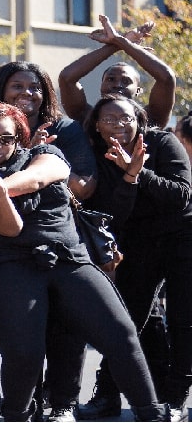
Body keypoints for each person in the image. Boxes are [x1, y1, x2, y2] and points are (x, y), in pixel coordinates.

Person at [0, 101, 171, 422]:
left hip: (69, 258)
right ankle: (17, 416)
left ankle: (151, 414)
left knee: (120, 333)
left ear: (19, 140)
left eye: (6, 138)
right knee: (23, 353)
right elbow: (10, 227)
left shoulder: (46, 156)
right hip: (13, 264)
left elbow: (41, 178)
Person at [75, 96, 192, 419]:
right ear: (96, 126)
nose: (118, 125)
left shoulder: (162, 141)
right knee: (125, 322)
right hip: (138, 242)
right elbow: (113, 215)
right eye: (109, 120)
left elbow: (181, 196)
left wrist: (140, 172)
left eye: (126, 119)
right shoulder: (95, 156)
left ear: (139, 120)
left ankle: (176, 396)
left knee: (183, 320)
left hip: (182, 236)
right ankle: (108, 393)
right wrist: (127, 178)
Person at [0, 61, 97, 200]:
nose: (27, 93)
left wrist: (41, 156)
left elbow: (83, 190)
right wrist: (26, 154)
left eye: (35, 88)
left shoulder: (65, 128)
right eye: (17, 86)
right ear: (1, 90)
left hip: (50, 213)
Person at [58, 14, 174, 127]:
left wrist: (119, 40)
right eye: (111, 79)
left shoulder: (148, 120)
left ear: (138, 91)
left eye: (126, 81)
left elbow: (166, 78)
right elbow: (67, 78)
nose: (117, 85)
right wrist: (117, 44)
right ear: (101, 86)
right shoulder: (88, 119)